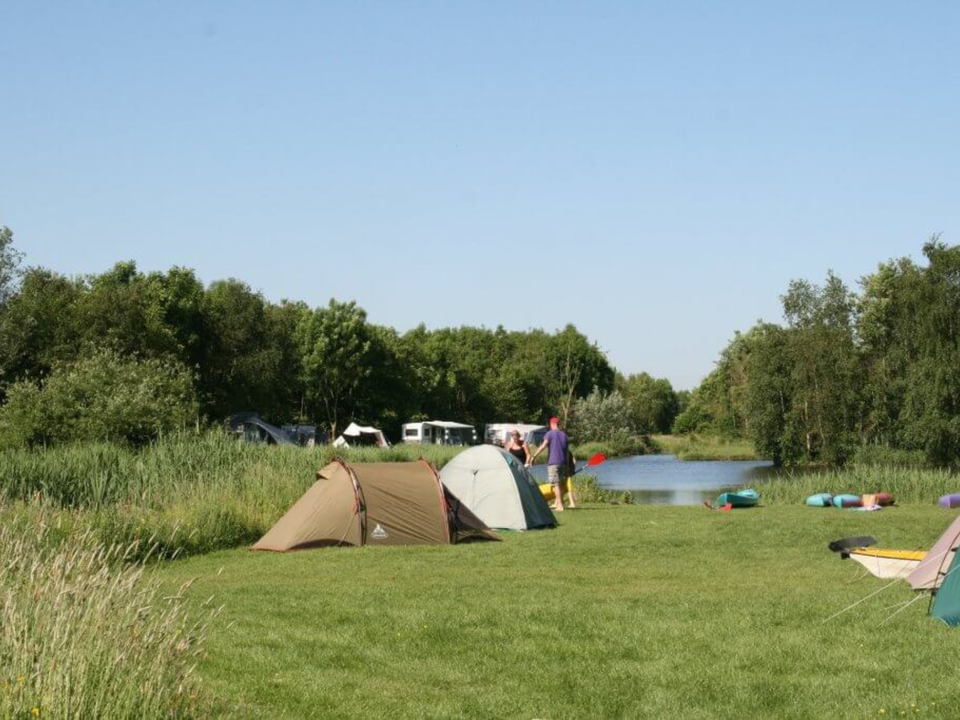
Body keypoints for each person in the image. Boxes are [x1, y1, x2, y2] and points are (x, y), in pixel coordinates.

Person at [529, 416, 570, 512]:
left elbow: (543, 446)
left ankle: (560, 506)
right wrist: (568, 465)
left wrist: (534, 456)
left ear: (552, 424)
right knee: (560, 484)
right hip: (563, 462)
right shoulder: (564, 435)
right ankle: (558, 503)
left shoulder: (550, 433)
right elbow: (567, 452)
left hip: (554, 462)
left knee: (555, 484)